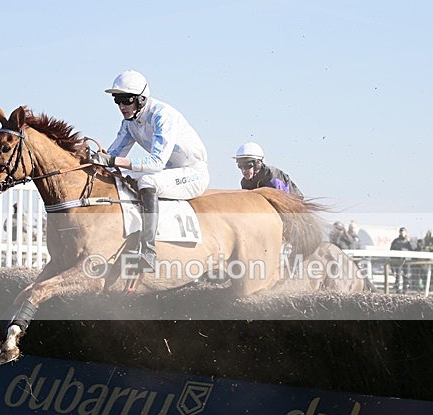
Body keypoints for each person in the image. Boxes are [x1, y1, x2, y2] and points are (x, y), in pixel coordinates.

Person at [87, 70, 209, 272]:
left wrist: (113, 160)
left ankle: (148, 251)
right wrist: (90, 158)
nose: (121, 106)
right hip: (167, 173)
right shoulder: (129, 123)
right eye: (117, 100)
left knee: (147, 181)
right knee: (121, 178)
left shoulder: (162, 115)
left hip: (192, 173)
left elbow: (156, 162)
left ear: (141, 99)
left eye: (126, 100)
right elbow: (112, 158)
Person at [233, 142, 303, 198]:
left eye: (247, 166)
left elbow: (284, 203)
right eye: (240, 166)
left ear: (258, 163)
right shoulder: (244, 182)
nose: (243, 170)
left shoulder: (273, 178)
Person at [389, 226, 413, 293]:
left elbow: (412, 250)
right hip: (398, 261)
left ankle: (405, 290)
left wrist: (409, 241)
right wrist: (392, 262)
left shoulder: (408, 242)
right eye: (401, 231)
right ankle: (397, 290)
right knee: (398, 276)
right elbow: (391, 251)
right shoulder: (396, 241)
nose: (402, 233)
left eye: (404, 231)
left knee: (406, 276)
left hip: (406, 261)